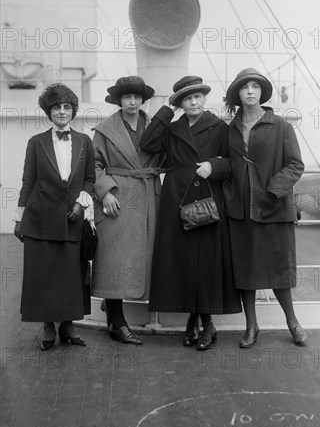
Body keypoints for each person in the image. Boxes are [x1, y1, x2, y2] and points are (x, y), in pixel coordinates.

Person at [139, 76, 242, 350]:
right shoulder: (173, 129)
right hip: (177, 199)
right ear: (180, 103)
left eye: (197, 96)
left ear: (204, 98)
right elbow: (148, 144)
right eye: (187, 98)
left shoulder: (220, 127)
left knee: (206, 262)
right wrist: (165, 111)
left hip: (207, 199)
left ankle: (207, 322)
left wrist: (213, 165)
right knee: (184, 261)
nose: (193, 102)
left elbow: (233, 163)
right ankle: (192, 319)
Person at [223, 68, 307, 348]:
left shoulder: (280, 125)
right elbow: (227, 164)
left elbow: (295, 164)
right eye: (245, 87)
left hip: (273, 207)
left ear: (261, 93)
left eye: (255, 87)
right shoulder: (231, 129)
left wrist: (274, 189)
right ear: (237, 94)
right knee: (245, 271)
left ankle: (292, 322)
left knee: (278, 269)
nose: (250, 91)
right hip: (241, 210)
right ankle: (251, 326)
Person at [14, 83, 95, 350]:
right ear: (48, 112)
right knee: (44, 274)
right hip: (40, 218)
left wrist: (81, 205)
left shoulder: (85, 141)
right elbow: (28, 180)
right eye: (56, 107)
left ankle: (68, 325)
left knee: (71, 274)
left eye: (67, 107)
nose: (62, 112)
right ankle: (48, 325)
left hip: (72, 219)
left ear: (73, 110)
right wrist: (19, 218)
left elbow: (90, 180)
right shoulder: (35, 142)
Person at [91, 76, 163, 345]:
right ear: (118, 100)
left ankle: (113, 309)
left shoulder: (156, 126)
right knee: (115, 258)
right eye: (126, 97)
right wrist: (105, 191)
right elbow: (93, 165)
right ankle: (117, 322)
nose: (132, 102)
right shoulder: (105, 129)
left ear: (143, 99)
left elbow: (169, 157)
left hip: (147, 196)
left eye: (136, 96)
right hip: (117, 199)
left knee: (142, 255)